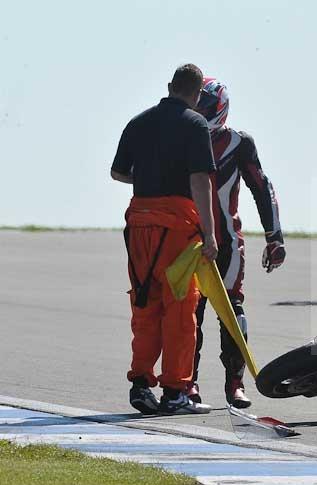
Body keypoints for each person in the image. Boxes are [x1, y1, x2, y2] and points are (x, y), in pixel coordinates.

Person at [111, 64, 217, 415]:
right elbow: (200, 181)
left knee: (145, 304)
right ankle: (175, 391)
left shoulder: (138, 122)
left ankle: (141, 384)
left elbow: (117, 172)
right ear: (197, 94)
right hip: (176, 229)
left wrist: (148, 177)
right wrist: (210, 233)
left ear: (170, 86)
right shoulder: (196, 124)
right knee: (180, 311)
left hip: (139, 225)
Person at [188, 77, 286, 409]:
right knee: (188, 314)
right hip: (187, 242)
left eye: (203, 106)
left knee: (233, 312)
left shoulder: (239, 143)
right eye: (195, 104)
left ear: (219, 108)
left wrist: (275, 238)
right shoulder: (181, 137)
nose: (198, 111)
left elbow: (262, 188)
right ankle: (187, 384)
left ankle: (235, 384)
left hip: (227, 243)